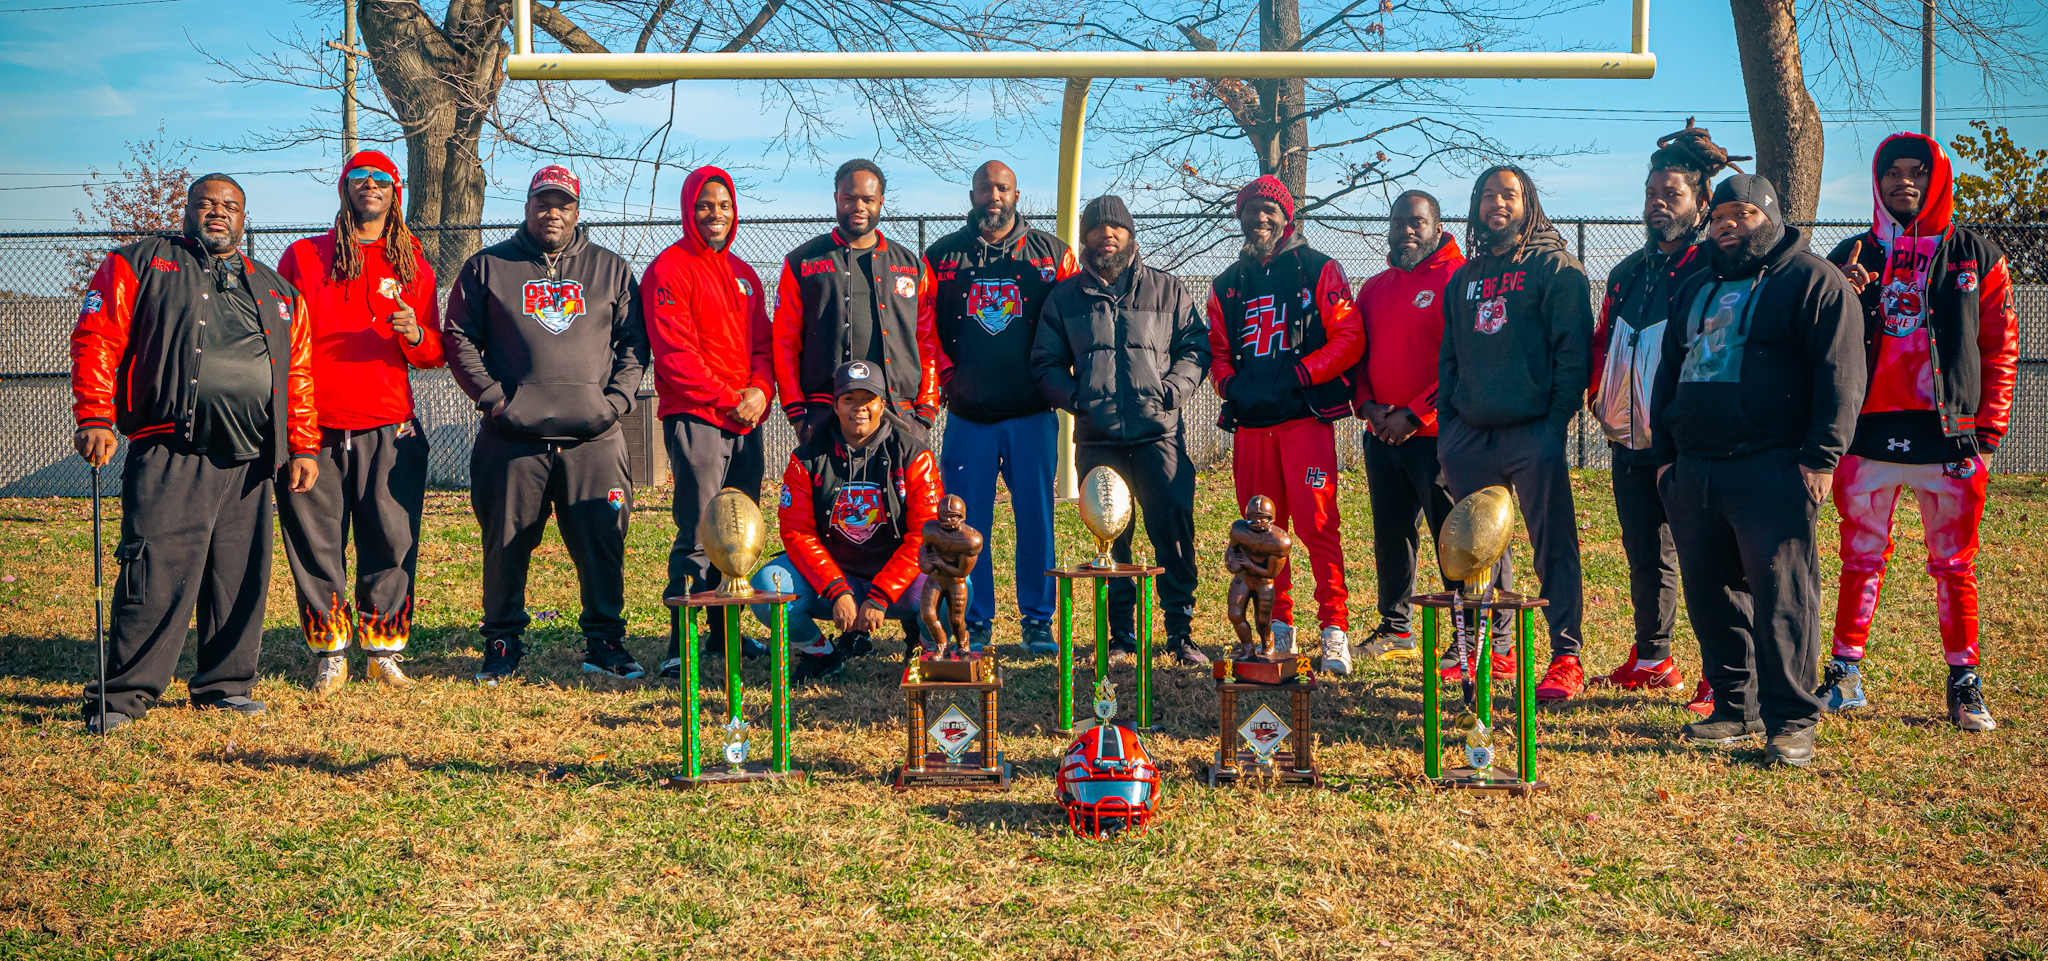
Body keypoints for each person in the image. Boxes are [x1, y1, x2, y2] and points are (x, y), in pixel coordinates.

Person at [70, 174, 320, 731]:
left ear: (244, 217)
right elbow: (98, 337)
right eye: (206, 203)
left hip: (252, 458)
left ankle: (226, 685)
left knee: (239, 576)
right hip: (170, 449)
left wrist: (303, 445)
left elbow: (298, 372)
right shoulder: (140, 263)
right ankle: (124, 695)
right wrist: (95, 415)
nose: (218, 213)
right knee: (154, 571)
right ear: (186, 210)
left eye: (230, 206)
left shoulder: (277, 289)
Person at [1652, 173, 1864, 768]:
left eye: (1741, 214)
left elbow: (1839, 375)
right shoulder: (1695, 287)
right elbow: (1669, 370)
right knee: (1711, 593)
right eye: (1718, 215)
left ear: (1769, 216)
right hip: (1695, 468)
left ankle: (1793, 719)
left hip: (1773, 466)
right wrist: (1666, 458)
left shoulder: (1813, 281)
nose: (1726, 224)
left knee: (1782, 598)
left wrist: (1821, 459)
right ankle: (1734, 707)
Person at [1818, 132, 2018, 732]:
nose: (1903, 182)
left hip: (1950, 437)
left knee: (1955, 563)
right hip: (1866, 434)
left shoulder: (1976, 253)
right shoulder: (1852, 252)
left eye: (1915, 172)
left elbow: (1999, 345)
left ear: (1937, 180)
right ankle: (1845, 674)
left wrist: (1990, 428)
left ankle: (1965, 684)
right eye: (1891, 173)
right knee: (1859, 559)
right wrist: (1844, 292)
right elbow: (1818, 342)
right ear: (1876, 183)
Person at [443, 165, 650, 684]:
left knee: (602, 541)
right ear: (528, 206)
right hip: (512, 440)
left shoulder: (610, 268)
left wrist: (617, 401)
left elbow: (633, 343)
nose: (551, 212)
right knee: (505, 542)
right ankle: (503, 643)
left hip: (594, 439)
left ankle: (605, 642)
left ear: (577, 210)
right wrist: (493, 399)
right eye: (542, 202)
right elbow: (458, 336)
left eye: (563, 204)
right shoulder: (489, 266)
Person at [1586, 125, 1744, 713]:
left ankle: (1717, 673)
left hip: (1687, 440)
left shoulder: (1712, 268)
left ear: (1702, 203)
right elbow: (1606, 339)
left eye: (1672, 192)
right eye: (1652, 191)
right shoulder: (1628, 270)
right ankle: (1653, 659)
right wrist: (1599, 391)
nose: (1658, 202)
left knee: (1704, 557)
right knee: (1643, 549)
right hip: (1628, 439)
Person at [275, 150, 444, 699]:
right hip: (314, 427)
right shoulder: (304, 256)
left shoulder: (414, 262)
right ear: (345, 189)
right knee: (316, 543)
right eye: (359, 178)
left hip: (388, 425)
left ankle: (384, 651)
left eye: (382, 180)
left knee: (391, 540)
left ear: (395, 194)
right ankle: (329, 651)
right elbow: (279, 340)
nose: (370, 186)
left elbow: (433, 353)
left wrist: (414, 333)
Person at [1032, 194, 1213, 666]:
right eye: (1097, 228)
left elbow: (1196, 346)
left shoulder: (1167, 290)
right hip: (1098, 439)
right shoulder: (1065, 297)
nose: (1106, 234)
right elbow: (1045, 362)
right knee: (1113, 538)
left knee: (1172, 532)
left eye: (1116, 227)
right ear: (1086, 238)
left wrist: (1173, 390)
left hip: (1160, 436)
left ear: (1130, 235)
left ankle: (1179, 632)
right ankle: (1122, 636)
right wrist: (1076, 400)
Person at [1436, 165, 1594, 701]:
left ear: (1528, 202)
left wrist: (1553, 426)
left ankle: (1565, 655)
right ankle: (1488, 651)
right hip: (1470, 435)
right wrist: (1451, 429)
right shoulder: (1464, 277)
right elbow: (1450, 357)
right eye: (1487, 195)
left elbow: (1573, 357)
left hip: (1533, 433)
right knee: (1479, 548)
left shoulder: (1556, 268)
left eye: (1509, 194)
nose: (1496, 204)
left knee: (1552, 544)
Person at [1205, 175, 1362, 673]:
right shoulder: (1226, 283)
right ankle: (1279, 626)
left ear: (1287, 215)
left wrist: (1302, 373)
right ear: (1241, 218)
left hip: (1304, 423)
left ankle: (1333, 627)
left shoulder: (1318, 268)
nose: (1260, 218)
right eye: (1251, 210)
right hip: (1253, 428)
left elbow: (1349, 337)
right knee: (1260, 534)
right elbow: (1217, 352)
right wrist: (1230, 387)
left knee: (1318, 526)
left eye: (1269, 209)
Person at [920, 160, 1077, 656]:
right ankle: (976, 619)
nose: (994, 195)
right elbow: (924, 326)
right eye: (986, 186)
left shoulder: (1053, 256)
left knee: (1037, 518)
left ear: (1016, 193)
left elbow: (1074, 325)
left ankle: (1037, 621)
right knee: (967, 527)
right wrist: (945, 378)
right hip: (970, 417)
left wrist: (1059, 384)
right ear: (972, 193)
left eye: (1003, 187)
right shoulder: (941, 257)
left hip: (1032, 415)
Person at [642, 165, 775, 679]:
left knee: (739, 531)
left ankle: (726, 635)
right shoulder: (669, 270)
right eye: (704, 205)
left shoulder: (743, 274)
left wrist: (760, 391)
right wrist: (728, 398)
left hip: (746, 417)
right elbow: (676, 355)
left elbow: (762, 344)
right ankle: (682, 640)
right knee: (699, 529)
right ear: (688, 209)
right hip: (698, 416)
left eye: (722, 205)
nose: (714, 215)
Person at [753, 360, 943, 682]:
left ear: (882, 404)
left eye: (867, 399)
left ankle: (928, 655)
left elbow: (924, 535)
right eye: (849, 399)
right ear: (836, 405)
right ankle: (822, 654)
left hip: (896, 580)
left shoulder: (914, 455)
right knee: (765, 587)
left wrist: (881, 594)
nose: (860, 408)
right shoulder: (807, 458)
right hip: (835, 576)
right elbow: (797, 532)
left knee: (954, 586)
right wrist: (837, 590)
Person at [1350, 189, 1473, 664]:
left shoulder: (1458, 279)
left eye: (1416, 222)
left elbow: (1462, 361)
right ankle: (1396, 628)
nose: (1406, 230)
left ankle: (1464, 635)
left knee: (1452, 536)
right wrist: (1368, 407)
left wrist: (1416, 413)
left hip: (1438, 437)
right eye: (1399, 222)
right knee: (1391, 533)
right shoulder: (1374, 287)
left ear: (1438, 227)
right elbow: (1357, 356)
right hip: (1381, 435)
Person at [773, 159, 939, 445]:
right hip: (825, 410)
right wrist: (797, 413)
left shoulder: (912, 266)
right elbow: (785, 341)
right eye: (849, 198)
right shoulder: (801, 262)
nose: (858, 206)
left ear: (881, 202)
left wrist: (924, 413)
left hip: (898, 410)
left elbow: (927, 340)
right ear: (836, 198)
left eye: (868, 199)